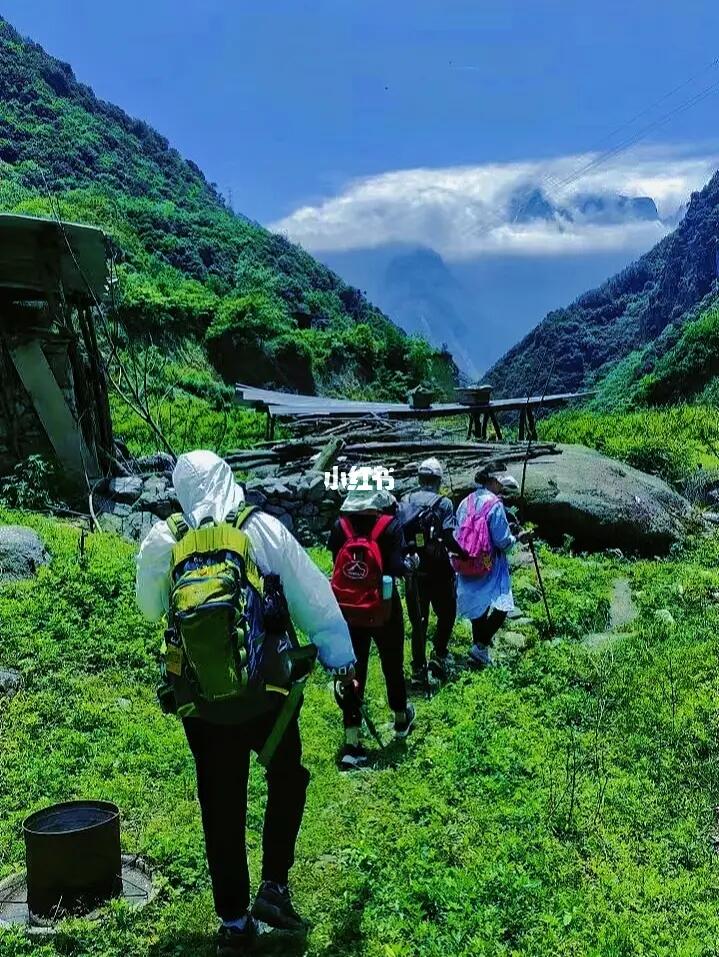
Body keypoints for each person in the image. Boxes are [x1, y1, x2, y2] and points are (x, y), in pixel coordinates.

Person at [136, 450, 356, 954]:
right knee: (286, 777)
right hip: (270, 697)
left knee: (221, 803)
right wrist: (341, 658)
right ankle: (274, 887)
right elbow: (312, 596)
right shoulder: (261, 529)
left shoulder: (165, 538)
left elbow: (150, 610)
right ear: (227, 478)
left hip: (203, 707)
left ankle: (234, 923)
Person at [329, 486, 416, 770]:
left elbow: (338, 567)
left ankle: (352, 742)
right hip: (384, 609)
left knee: (355, 672)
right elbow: (395, 567)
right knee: (392, 663)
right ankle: (401, 720)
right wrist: (410, 564)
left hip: (350, 613)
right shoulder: (389, 526)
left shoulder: (340, 526)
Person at [453, 464, 525, 668]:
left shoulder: (465, 502)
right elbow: (502, 541)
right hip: (488, 564)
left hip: (466, 560)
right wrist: (517, 537)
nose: (501, 487)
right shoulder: (494, 504)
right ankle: (480, 646)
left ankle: (479, 651)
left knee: (478, 607)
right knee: (502, 606)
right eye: (499, 483)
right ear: (492, 482)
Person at [398, 457, 459, 687]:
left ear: (419, 478)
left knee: (418, 622)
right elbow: (450, 537)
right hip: (440, 570)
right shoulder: (443, 504)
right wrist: (462, 554)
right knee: (447, 613)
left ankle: (417, 669)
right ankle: (439, 654)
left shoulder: (406, 500)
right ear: (438, 480)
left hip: (413, 570)